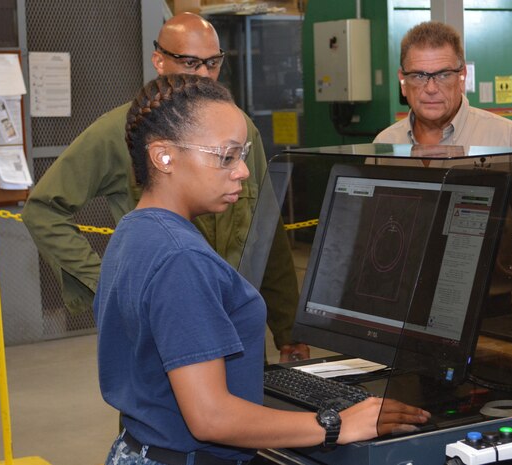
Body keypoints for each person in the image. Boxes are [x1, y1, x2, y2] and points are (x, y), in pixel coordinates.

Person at [94, 73, 430, 464]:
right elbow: (211, 418)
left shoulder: (134, 231)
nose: (243, 171)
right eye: (226, 156)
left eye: (243, 154)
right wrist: (336, 424)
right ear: (163, 156)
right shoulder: (181, 258)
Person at [21, 12, 309, 362]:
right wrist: (108, 283)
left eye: (212, 63)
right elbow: (44, 207)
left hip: (234, 326)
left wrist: (289, 330)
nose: (203, 74)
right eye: (189, 62)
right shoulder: (120, 131)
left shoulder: (240, 128)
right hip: (161, 329)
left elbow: (265, 229)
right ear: (159, 60)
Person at [374, 20, 512, 256]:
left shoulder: (506, 138)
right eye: (419, 76)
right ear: (403, 80)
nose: (430, 88)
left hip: (489, 292)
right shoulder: (384, 145)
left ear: (462, 76)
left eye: (443, 75)